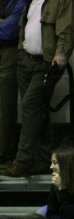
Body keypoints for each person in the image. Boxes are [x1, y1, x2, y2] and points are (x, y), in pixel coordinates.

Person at [1, 0, 74, 178]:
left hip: (46, 63)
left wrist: (61, 53)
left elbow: (66, 29)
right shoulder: (31, 1)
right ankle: (43, 159)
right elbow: (23, 25)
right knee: (39, 112)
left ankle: (22, 161)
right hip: (26, 59)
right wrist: (21, 50)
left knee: (29, 106)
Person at [0, 0, 25, 167]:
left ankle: (4, 153)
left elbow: (9, 30)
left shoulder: (21, 2)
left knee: (5, 105)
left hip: (10, 50)